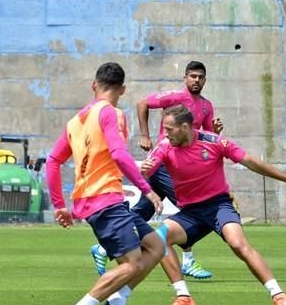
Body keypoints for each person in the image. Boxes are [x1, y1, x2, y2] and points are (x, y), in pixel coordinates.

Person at [46, 62, 166, 305]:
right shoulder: (112, 113)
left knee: (156, 246)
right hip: (105, 201)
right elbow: (119, 154)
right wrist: (146, 188)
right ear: (122, 89)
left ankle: (117, 303)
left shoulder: (75, 121)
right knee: (132, 263)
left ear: (93, 84)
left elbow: (52, 162)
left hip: (96, 201)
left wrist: (59, 205)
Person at [143, 104, 286, 305]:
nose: (165, 133)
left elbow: (250, 162)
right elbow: (148, 169)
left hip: (218, 205)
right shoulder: (164, 146)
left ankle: (279, 295)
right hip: (191, 213)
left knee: (237, 243)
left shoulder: (214, 142)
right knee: (158, 238)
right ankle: (184, 300)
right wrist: (143, 171)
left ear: (185, 127)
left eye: (169, 129)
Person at [90, 61, 223, 280]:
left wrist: (216, 132)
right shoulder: (176, 98)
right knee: (192, 208)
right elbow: (143, 103)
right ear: (185, 78)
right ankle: (187, 262)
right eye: (192, 76)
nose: (196, 80)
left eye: (200, 77)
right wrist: (144, 135)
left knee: (144, 209)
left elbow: (205, 137)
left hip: (180, 164)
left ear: (205, 80)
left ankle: (103, 248)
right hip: (163, 161)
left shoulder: (206, 106)